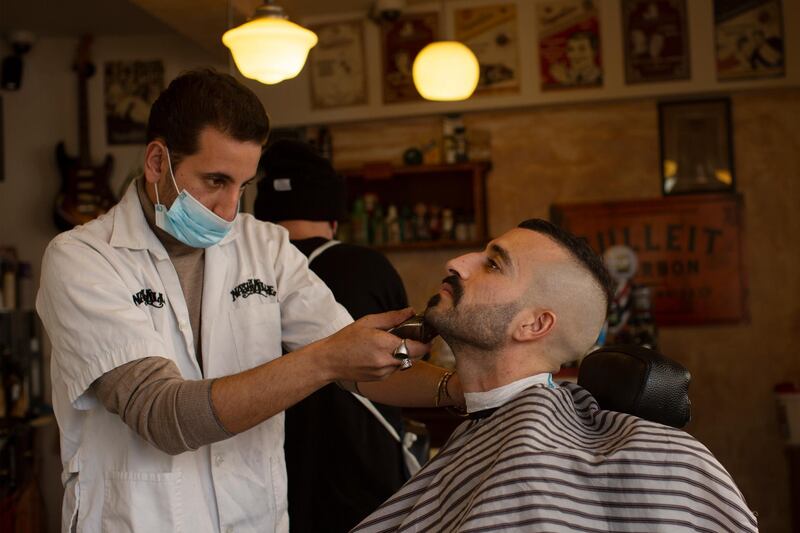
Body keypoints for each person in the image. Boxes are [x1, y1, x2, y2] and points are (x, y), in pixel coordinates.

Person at [36, 69, 462, 533]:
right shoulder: (83, 259)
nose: (230, 208)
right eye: (215, 180)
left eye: (244, 185)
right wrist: (327, 360)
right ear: (157, 162)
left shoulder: (264, 247)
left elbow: (362, 373)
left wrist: (461, 389)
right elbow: (162, 414)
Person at [354, 219, 758, 532]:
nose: (457, 263)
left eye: (492, 264)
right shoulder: (490, 419)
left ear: (533, 325)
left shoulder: (540, 457)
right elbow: (352, 374)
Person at [253, 139, 414, 532]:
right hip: (361, 469)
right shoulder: (368, 266)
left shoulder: (244, 274)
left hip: (270, 468)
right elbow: (403, 360)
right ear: (334, 218)